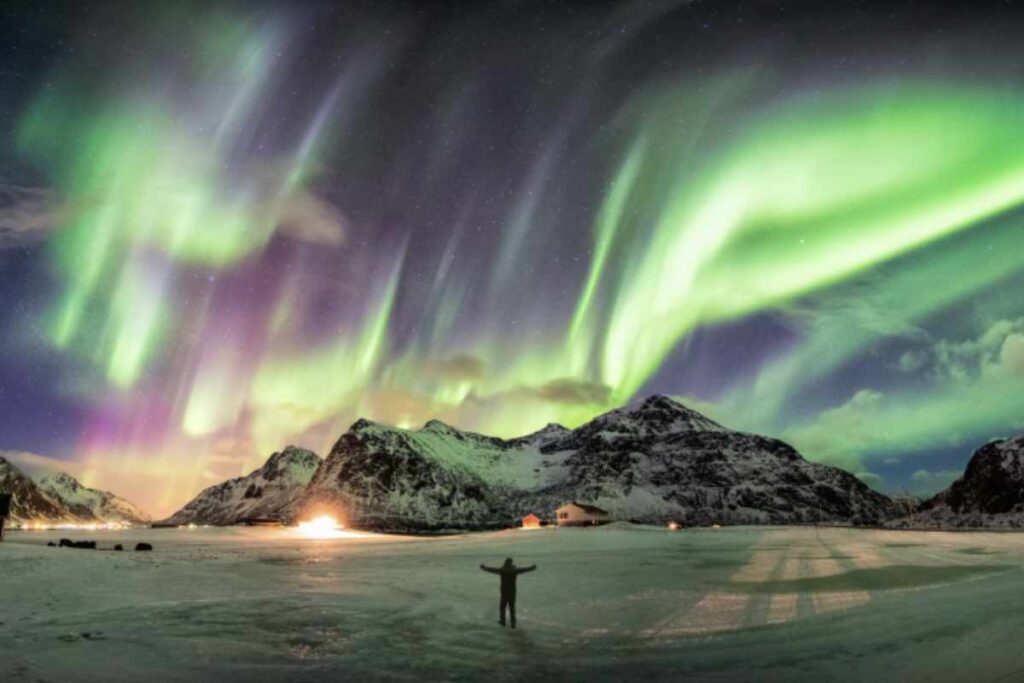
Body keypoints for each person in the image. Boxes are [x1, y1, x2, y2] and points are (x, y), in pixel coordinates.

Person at [480, 557, 537, 628]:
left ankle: (503, 621)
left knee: (502, 607)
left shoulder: (502, 570)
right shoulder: (514, 571)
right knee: (512, 607)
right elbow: (525, 569)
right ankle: (513, 623)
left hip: (504, 592)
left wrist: (483, 567)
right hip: (512, 592)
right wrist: (532, 567)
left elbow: (492, 570)